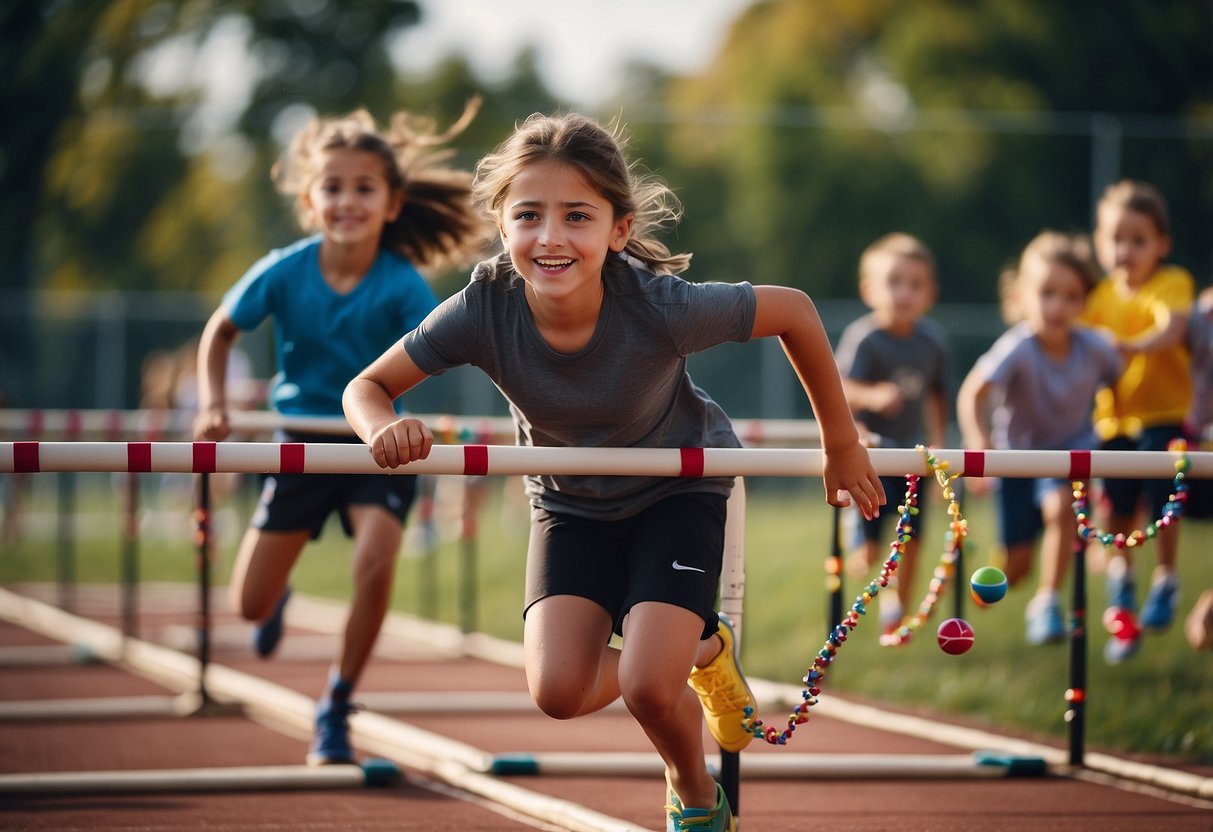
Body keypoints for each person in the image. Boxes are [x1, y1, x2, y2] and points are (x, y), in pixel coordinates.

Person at [342, 112, 884, 832]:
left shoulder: (657, 306)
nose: (551, 238)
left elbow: (793, 310)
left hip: (677, 493)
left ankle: (695, 794)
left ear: (618, 230)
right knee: (558, 692)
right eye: (528, 216)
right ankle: (704, 643)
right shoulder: (482, 307)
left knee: (646, 688)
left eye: (577, 217)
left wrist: (839, 441)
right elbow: (365, 387)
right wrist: (382, 426)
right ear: (502, 226)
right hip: (570, 505)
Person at [193, 101, 489, 765]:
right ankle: (278, 598)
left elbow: (451, 342)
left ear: (390, 204)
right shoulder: (285, 268)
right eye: (333, 187)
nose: (347, 201)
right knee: (247, 606)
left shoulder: (401, 284)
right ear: (309, 199)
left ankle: (336, 702)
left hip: (373, 443)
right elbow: (221, 330)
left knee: (376, 557)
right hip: (300, 439)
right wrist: (213, 404)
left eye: (364, 188)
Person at [957, 231, 1121, 645]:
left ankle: (1047, 603)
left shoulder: (1095, 348)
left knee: (1061, 507)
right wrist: (978, 446)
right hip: (1017, 460)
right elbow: (972, 393)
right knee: (1018, 566)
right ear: (1022, 296)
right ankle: (1009, 571)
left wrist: (1115, 427)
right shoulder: (1018, 346)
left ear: (1085, 302)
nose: (1058, 307)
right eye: (1047, 293)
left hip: (1068, 457)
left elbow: (1119, 382)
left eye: (1070, 296)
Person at [1084, 180, 1194, 664]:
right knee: (1114, 505)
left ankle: (1166, 577)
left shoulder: (1170, 284)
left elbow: (1170, 329)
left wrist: (1128, 348)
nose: (1125, 250)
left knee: (1161, 496)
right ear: (1099, 242)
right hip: (1115, 421)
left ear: (1161, 245)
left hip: (1167, 416)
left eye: (1138, 240)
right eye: (1116, 239)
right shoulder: (1098, 297)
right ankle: (1121, 579)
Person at [834, 233, 950, 640]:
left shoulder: (933, 342)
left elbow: (938, 397)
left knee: (913, 541)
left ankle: (896, 607)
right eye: (894, 282)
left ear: (930, 294)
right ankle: (857, 533)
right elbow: (839, 389)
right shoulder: (864, 338)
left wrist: (939, 441)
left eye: (915, 285)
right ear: (869, 290)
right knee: (867, 554)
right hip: (868, 454)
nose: (904, 293)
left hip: (910, 457)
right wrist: (872, 398)